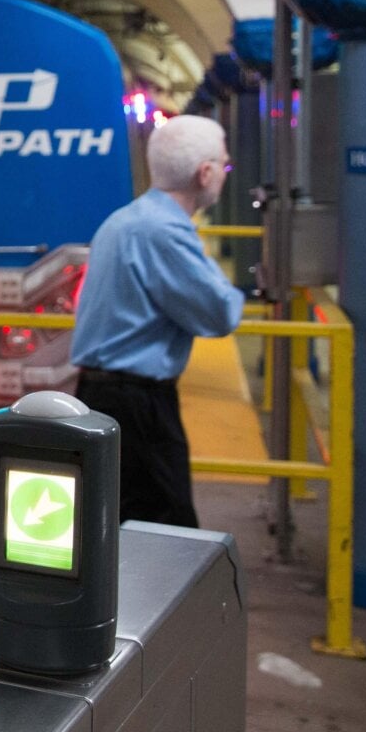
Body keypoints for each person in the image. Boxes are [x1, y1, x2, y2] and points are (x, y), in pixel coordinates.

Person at [70, 114, 244, 528]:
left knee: (115, 522)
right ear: (204, 174)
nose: (226, 172)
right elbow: (219, 314)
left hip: (105, 394)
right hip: (137, 405)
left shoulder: (126, 219)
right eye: (224, 164)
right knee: (168, 530)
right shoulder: (163, 231)